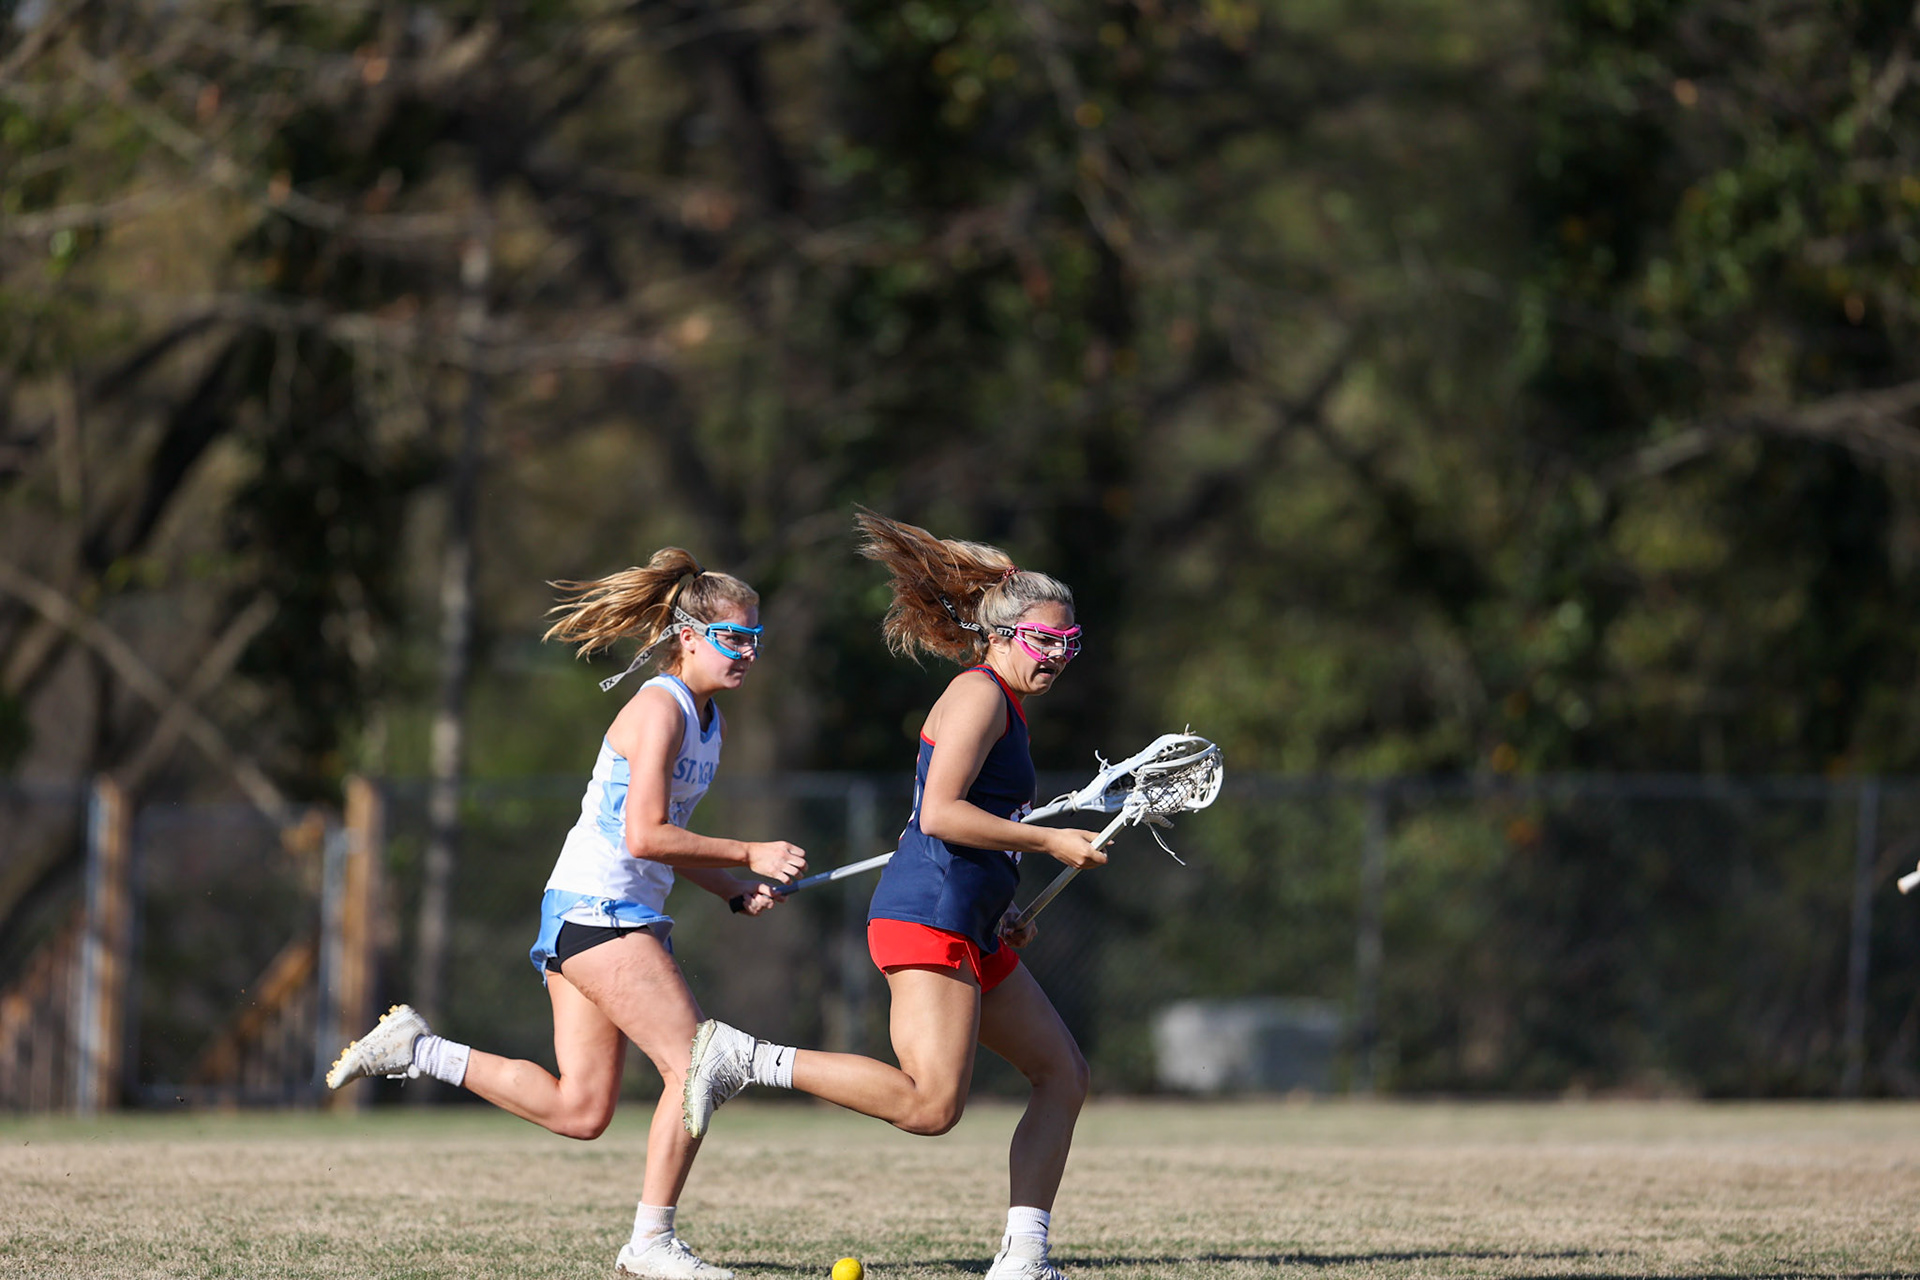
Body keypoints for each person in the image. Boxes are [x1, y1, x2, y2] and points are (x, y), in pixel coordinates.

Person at [325, 549, 807, 1280]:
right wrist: (749, 854)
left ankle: (418, 1051)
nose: (747, 653)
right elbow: (643, 834)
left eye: (755, 639)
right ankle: (650, 1244)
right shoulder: (659, 708)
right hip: (598, 911)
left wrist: (731, 889)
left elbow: (661, 840)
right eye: (732, 638)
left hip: (601, 912)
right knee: (693, 1066)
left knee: (581, 1110)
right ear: (687, 635)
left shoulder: (710, 724)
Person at [680, 511, 1104, 1280]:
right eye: (1045, 642)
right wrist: (1049, 841)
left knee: (1063, 1074)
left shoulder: (1006, 707)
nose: (1058, 658)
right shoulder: (978, 696)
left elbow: (966, 826)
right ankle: (747, 1057)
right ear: (1001, 636)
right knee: (930, 1107)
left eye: (1070, 644)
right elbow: (940, 813)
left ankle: (1025, 1257)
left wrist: (1000, 904)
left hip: (965, 916)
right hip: (926, 915)